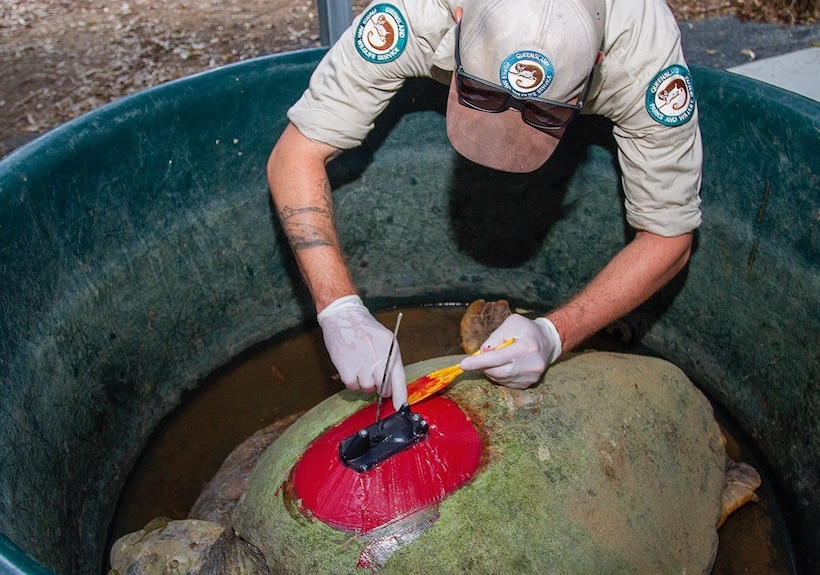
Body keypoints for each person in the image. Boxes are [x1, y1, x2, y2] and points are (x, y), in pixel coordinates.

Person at [267, 0, 702, 409]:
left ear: (598, 64)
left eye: (543, 115)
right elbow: (296, 154)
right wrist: (339, 308)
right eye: (481, 94)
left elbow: (669, 235)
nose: (508, 124)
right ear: (458, 17)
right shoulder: (417, 16)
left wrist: (555, 334)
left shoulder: (643, 63)